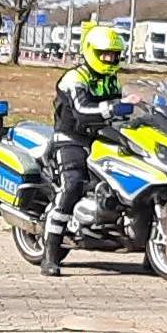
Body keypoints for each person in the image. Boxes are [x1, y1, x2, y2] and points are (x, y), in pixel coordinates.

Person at [40, 24, 126, 277]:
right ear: (90, 52)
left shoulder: (111, 79)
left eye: (113, 55)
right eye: (104, 54)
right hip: (70, 139)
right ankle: (51, 253)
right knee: (73, 184)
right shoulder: (74, 78)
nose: (109, 59)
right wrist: (114, 109)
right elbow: (82, 111)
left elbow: (122, 108)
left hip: (100, 139)